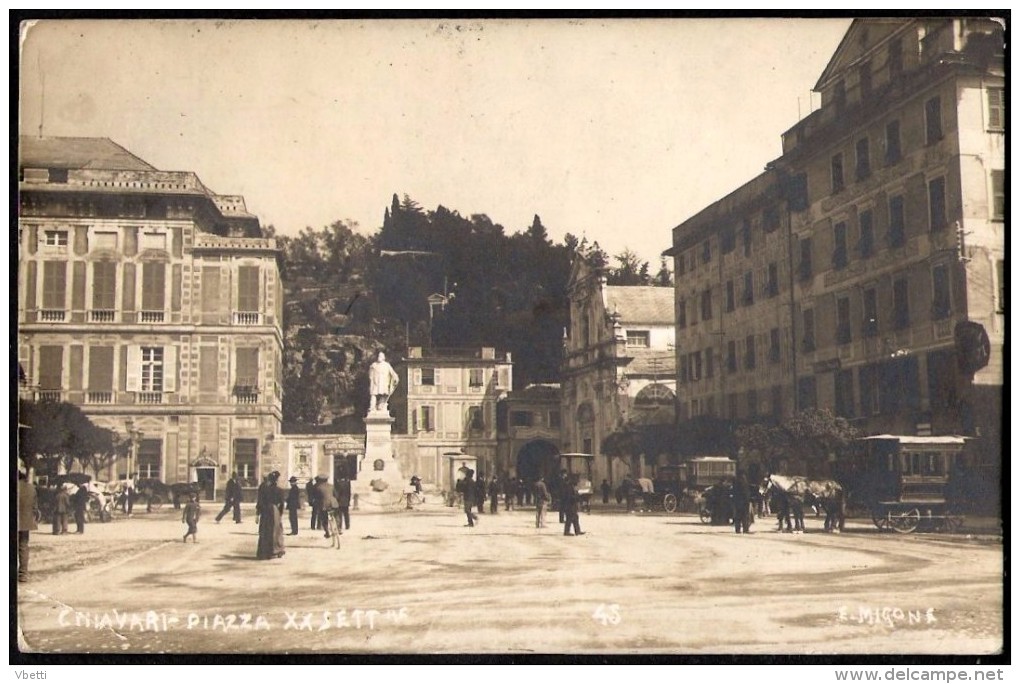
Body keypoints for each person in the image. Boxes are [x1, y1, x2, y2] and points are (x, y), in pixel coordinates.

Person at [256, 471, 286, 559]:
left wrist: (258, 513)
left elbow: (260, 502)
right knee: (276, 531)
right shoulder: (280, 490)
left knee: (265, 530)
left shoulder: (264, 489)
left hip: (265, 511)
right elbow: (282, 504)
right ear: (276, 480)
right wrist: (280, 514)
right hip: (274, 510)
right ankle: (276, 549)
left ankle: (264, 551)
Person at [18, 472, 39, 582]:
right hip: (25, 523)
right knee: (23, 547)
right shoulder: (31, 488)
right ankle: (23, 574)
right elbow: (35, 508)